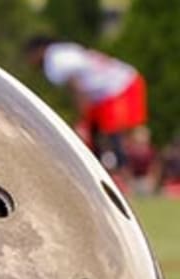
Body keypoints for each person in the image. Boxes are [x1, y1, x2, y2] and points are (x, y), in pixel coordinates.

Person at [25, 37, 146, 178]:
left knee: (114, 136)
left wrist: (83, 116)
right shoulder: (64, 50)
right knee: (97, 137)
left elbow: (78, 88)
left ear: (38, 50)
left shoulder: (55, 61)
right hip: (107, 92)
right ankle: (107, 175)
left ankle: (122, 178)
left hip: (119, 86)